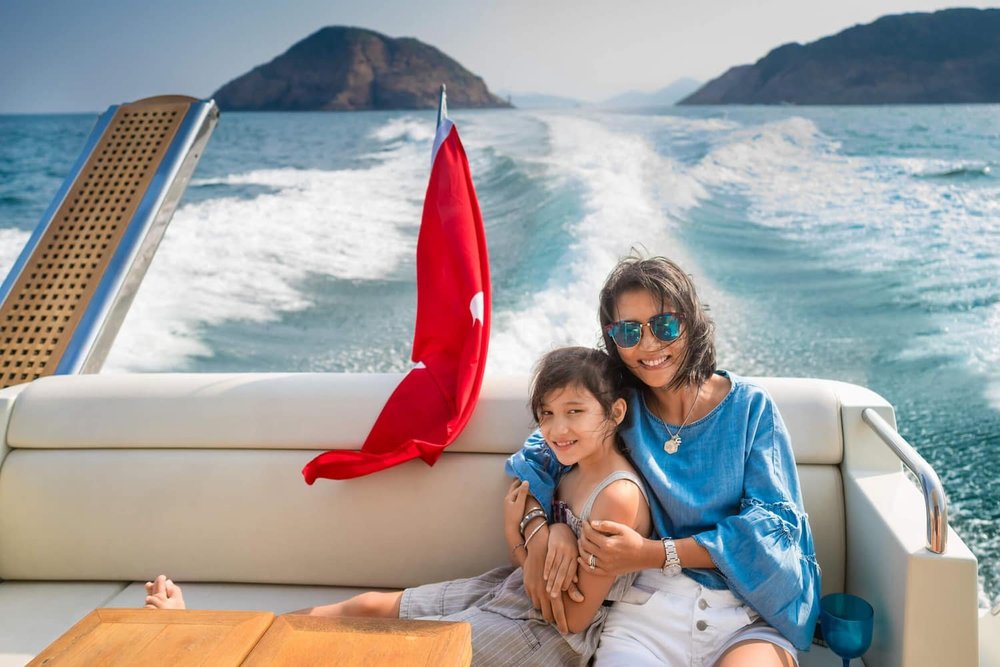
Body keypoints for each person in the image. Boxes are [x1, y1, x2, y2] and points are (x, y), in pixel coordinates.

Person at [144, 346, 652, 667]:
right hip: (512, 590)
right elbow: (530, 546)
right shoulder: (565, 462)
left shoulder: (616, 495)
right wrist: (542, 536)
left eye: (574, 412)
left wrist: (527, 537)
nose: (557, 428)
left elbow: (571, 616)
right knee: (366, 607)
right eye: (547, 414)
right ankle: (208, 637)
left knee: (381, 650)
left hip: (546, 639)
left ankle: (201, 659)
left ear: (616, 412)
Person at [506, 255, 820, 667]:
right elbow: (534, 462)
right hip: (644, 612)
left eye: (665, 325)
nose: (649, 345)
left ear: (691, 323)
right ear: (612, 339)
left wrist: (653, 553)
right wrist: (542, 533)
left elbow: (770, 533)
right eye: (629, 331)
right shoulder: (618, 408)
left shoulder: (750, 408)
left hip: (746, 613)